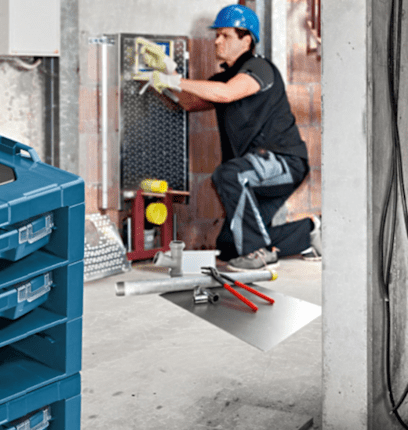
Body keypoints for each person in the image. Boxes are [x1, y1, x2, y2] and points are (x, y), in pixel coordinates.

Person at [134, 4, 321, 271]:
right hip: (254, 170)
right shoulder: (223, 78)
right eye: (216, 35)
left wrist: (176, 81)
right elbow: (189, 103)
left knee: (230, 175)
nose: (217, 41)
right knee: (230, 246)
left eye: (225, 35)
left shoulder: (260, 68)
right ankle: (311, 231)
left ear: (247, 40)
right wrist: (165, 78)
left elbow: (226, 93)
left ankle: (258, 255)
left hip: (284, 163)